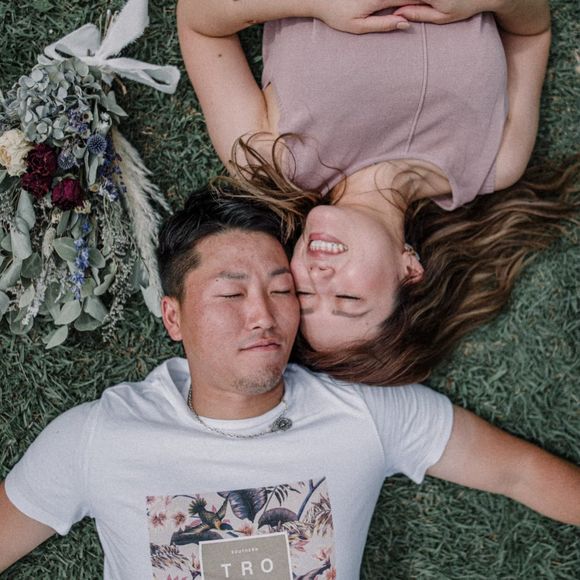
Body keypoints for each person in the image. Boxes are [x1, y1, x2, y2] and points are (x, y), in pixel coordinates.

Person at [1, 188, 579, 579]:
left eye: (283, 290)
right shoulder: (97, 438)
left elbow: (519, 471)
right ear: (172, 317)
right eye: (231, 293)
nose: (263, 315)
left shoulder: (364, 413)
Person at [177, 0, 579, 386]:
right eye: (348, 298)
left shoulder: (269, 159)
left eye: (302, 292)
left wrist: (316, 4)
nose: (318, 277)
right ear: (410, 272)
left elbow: (199, 20)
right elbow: (533, 30)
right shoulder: (496, 161)